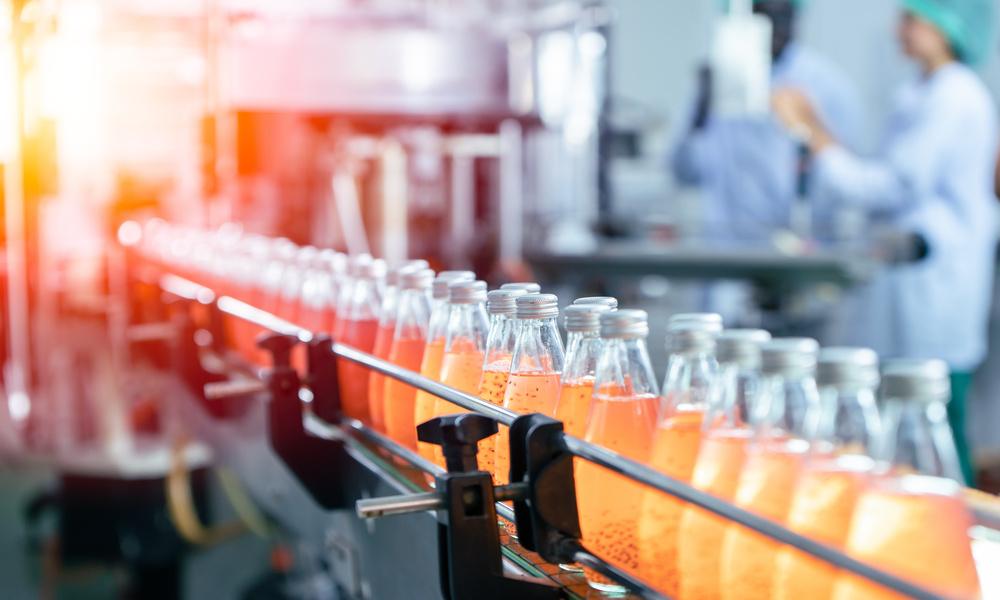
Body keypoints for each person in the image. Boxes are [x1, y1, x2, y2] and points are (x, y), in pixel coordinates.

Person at [772, 0, 997, 485]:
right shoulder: (922, 92)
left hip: (937, 283)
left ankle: (960, 542)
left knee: (938, 423)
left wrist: (813, 132)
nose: (900, 29)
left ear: (946, 26)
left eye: (913, 18)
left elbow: (894, 185)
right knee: (912, 424)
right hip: (915, 284)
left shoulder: (955, 96)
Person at [671, 0, 862, 322]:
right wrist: (700, 113)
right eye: (760, 13)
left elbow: (846, 183)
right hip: (724, 270)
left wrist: (809, 129)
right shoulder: (720, 77)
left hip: (795, 274)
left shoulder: (826, 85)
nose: (772, 25)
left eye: (780, 13)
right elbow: (683, 170)